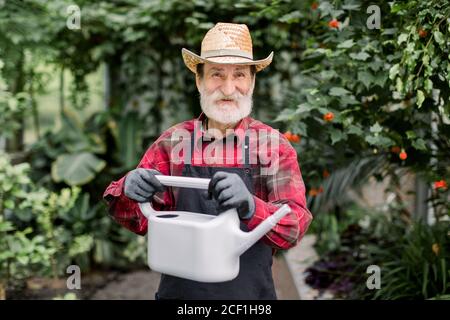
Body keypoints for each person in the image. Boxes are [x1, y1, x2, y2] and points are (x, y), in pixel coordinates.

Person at [103, 22, 313, 300]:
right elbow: (140, 222)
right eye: (216, 74)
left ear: (251, 81)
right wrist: (127, 191)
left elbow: (294, 227)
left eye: (239, 74)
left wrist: (252, 207)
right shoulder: (172, 142)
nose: (228, 88)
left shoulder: (272, 146)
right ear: (199, 80)